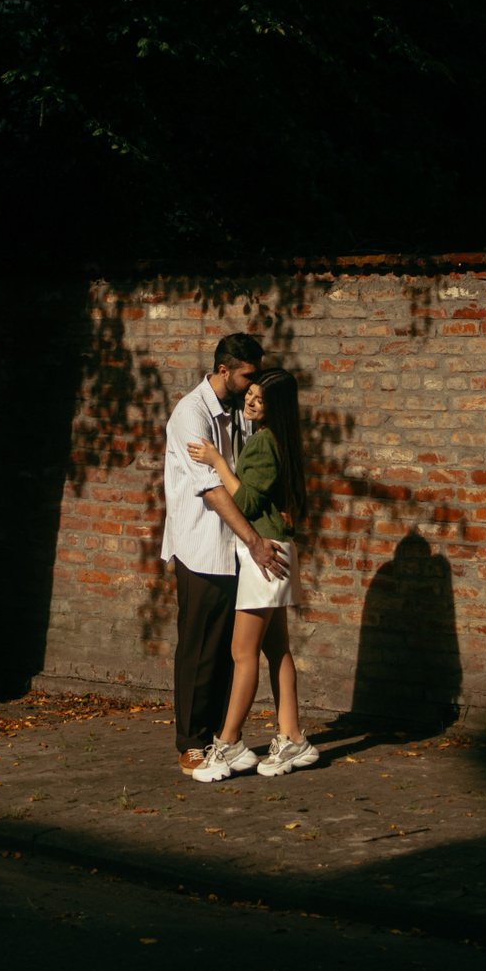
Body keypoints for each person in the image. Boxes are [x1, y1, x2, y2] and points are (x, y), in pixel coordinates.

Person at [161, 334, 288, 776]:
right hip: (202, 547)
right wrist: (254, 541)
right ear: (223, 370)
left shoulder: (242, 412)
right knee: (198, 648)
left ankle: (221, 738)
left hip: (236, 548)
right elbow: (213, 490)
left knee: (227, 651)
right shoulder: (191, 414)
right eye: (248, 375)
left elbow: (253, 478)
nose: (254, 384)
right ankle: (191, 743)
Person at [185, 367, 319, 780]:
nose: (250, 402)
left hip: (265, 555)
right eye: (250, 395)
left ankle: (228, 745)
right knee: (276, 650)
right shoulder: (279, 439)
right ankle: (292, 738)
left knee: (242, 654)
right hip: (278, 550)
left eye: (259, 400)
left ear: (275, 407)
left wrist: (216, 462)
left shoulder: (263, 441)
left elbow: (244, 501)